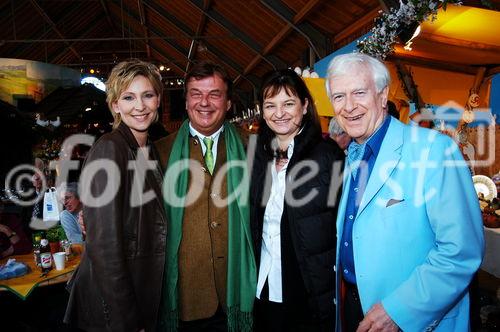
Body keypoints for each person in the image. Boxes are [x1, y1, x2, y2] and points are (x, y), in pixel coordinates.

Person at [325, 52, 484, 332]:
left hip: (410, 318)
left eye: (359, 93)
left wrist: (399, 310)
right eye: (339, 97)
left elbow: (460, 251)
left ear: (383, 94)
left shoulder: (434, 150)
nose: (348, 106)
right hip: (354, 310)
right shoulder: (352, 156)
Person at [64, 59, 167, 332]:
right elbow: (104, 247)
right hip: (113, 308)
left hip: (140, 291)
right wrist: (128, 320)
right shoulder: (111, 149)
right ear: (115, 106)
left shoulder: (150, 151)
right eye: (129, 97)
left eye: (148, 95)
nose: (140, 106)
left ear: (158, 99)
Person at [155, 60, 256, 331]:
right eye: (196, 94)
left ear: (228, 102)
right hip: (187, 295)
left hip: (237, 291)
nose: (205, 102)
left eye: (214, 94)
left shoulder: (253, 149)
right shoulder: (159, 153)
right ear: (186, 101)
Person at [250, 69, 343, 332]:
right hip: (265, 289)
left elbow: (341, 223)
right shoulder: (257, 156)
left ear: (304, 105)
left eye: (288, 103)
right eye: (271, 105)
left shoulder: (328, 155)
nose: (279, 113)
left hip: (308, 292)